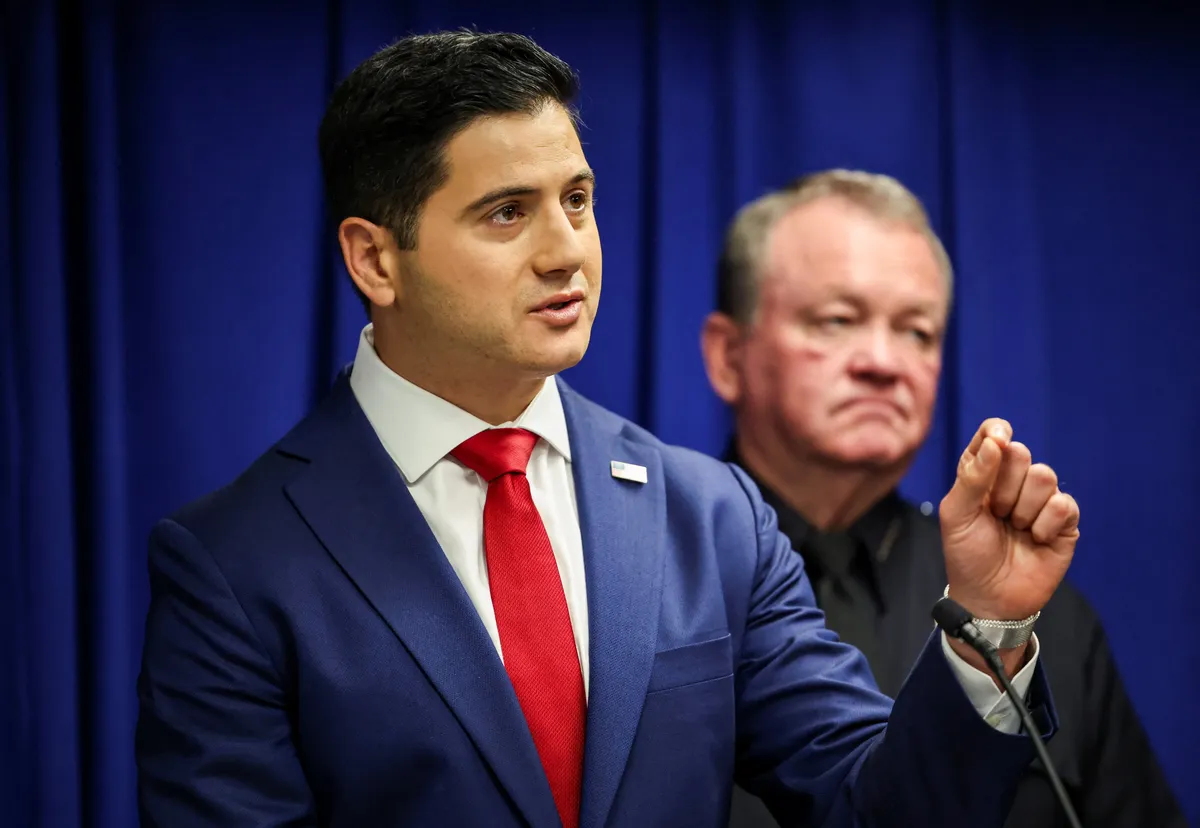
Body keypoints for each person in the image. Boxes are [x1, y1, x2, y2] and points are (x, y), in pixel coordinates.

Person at [135, 33, 1082, 828]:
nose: (567, 251)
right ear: (375, 259)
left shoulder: (711, 517)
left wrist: (986, 625)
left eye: (577, 201)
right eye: (508, 213)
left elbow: (875, 808)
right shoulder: (233, 564)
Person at [701, 170, 1184, 828]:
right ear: (728, 357)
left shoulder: (1034, 620)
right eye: (838, 321)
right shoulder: (652, 586)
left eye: (917, 332)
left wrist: (1000, 626)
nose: (883, 362)